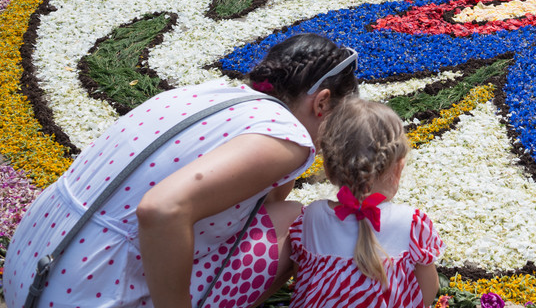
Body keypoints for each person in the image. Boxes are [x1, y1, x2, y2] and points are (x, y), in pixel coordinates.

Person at [2, 34, 360, 308]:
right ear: (323, 101)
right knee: (305, 221)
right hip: (89, 289)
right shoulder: (287, 136)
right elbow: (161, 209)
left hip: (32, 267)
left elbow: (256, 205)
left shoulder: (207, 93)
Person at [289, 100, 444, 308]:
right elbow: (428, 289)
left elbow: (303, 280)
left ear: (327, 168)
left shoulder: (312, 217)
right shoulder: (411, 222)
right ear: (398, 168)